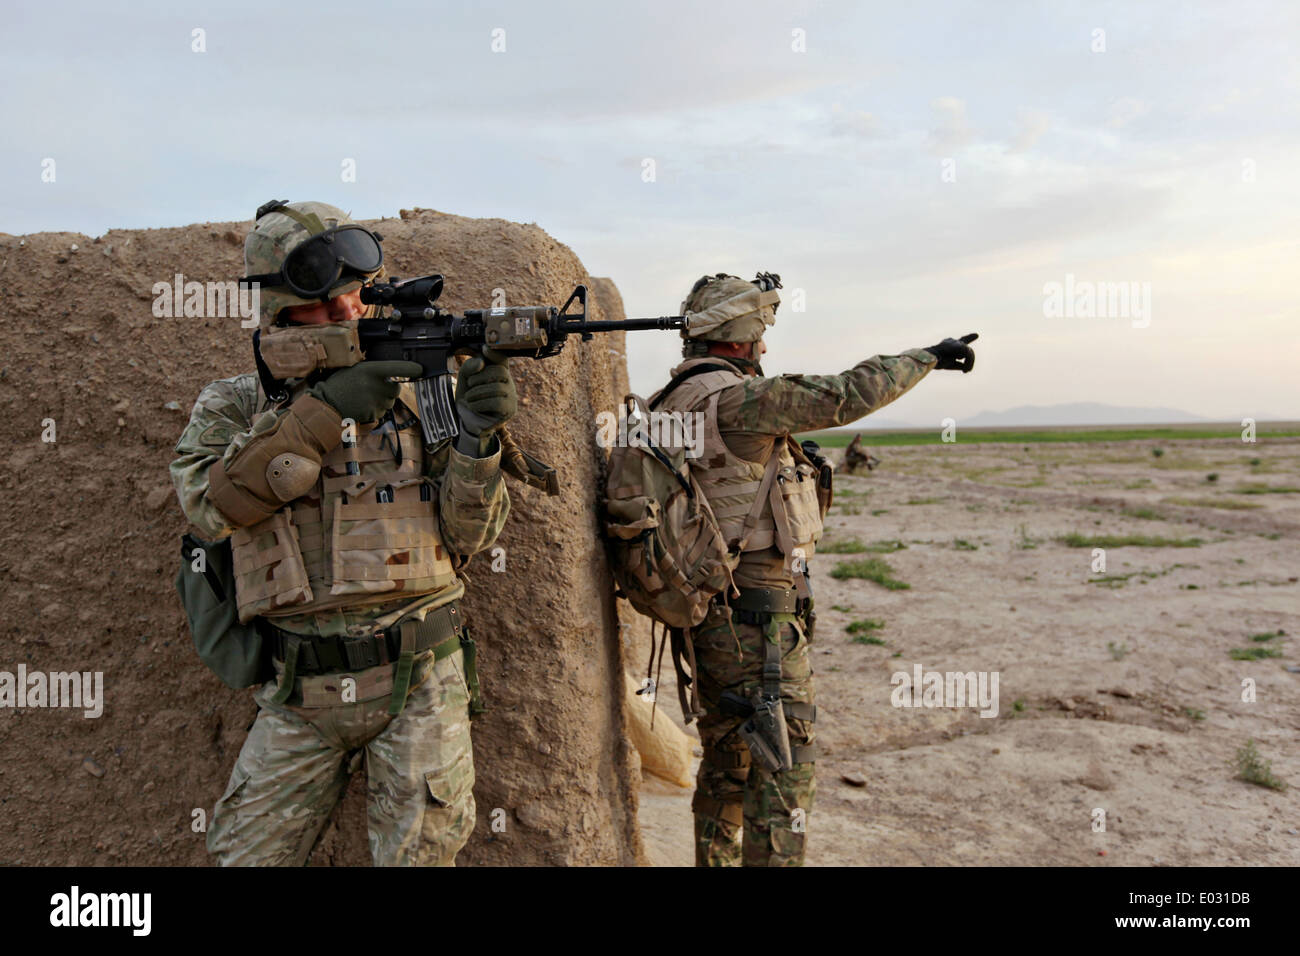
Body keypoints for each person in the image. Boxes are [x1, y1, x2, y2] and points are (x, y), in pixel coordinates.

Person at [170, 200, 516, 866]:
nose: (348, 317)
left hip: (421, 675)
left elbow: (472, 536)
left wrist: (478, 440)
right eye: (324, 309)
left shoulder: (422, 394)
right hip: (299, 689)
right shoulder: (234, 405)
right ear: (277, 313)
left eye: (355, 299)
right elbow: (209, 510)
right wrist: (325, 412)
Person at [651, 271, 977, 866]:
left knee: (728, 771)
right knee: (783, 782)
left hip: (709, 623)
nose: (765, 349)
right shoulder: (739, 400)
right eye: (759, 334)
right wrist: (927, 357)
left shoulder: (668, 403)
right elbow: (845, 393)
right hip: (759, 632)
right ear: (737, 335)